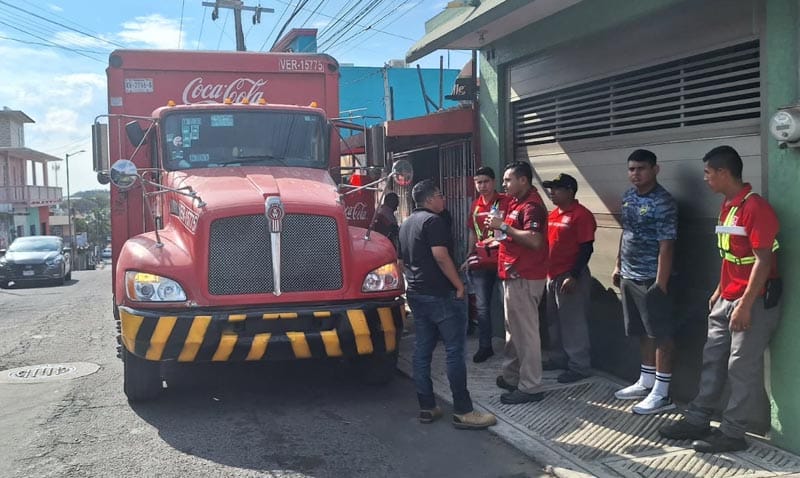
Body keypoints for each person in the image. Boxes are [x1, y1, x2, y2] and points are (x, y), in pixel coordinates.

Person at [659, 145, 781, 453]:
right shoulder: (729, 205)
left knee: (741, 367)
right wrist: (719, 290)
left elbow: (763, 261)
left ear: (724, 173)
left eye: (708, 173)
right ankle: (699, 418)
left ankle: (733, 433)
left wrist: (745, 305)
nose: (705, 179)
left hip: (752, 301)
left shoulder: (756, 208)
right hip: (727, 296)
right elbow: (731, 256)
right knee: (713, 360)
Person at [398, 179, 497, 430]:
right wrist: (460, 285)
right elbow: (440, 256)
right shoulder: (434, 222)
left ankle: (427, 406)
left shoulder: (407, 223)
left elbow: (400, 260)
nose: (443, 199)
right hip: (441, 294)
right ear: (430, 199)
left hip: (417, 294)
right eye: (440, 195)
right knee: (455, 352)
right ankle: (464, 411)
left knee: (422, 351)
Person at [612, 149, 678, 415]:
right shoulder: (628, 197)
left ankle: (662, 393)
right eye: (631, 169)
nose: (635, 174)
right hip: (630, 274)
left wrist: (660, 284)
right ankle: (646, 380)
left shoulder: (664, 202)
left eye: (641, 168)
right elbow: (626, 233)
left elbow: (667, 245)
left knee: (661, 334)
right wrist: (618, 264)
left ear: (655, 169)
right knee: (641, 331)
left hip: (652, 278)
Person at [485, 161, 549, 405]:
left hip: (525, 277)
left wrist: (503, 227)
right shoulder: (516, 203)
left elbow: (534, 241)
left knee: (527, 334)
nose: (504, 184)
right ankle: (512, 376)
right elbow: (513, 235)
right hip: (513, 275)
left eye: (508, 179)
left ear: (524, 180)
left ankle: (531, 386)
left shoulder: (532, 206)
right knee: (513, 331)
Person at [542, 173, 597, 384]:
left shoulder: (581, 215)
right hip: (552, 275)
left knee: (573, 323)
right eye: (550, 188)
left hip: (570, 276)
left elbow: (586, 248)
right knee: (554, 321)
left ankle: (579, 366)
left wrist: (573, 275)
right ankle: (558, 358)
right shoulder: (554, 214)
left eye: (556, 188)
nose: (552, 193)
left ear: (570, 191)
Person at [462, 166, 508, 363]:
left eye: (486, 181)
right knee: (482, 308)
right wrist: (468, 254)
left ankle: (514, 347)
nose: (482, 186)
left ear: (494, 182)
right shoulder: (476, 206)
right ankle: (485, 346)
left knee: (508, 305)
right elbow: (473, 232)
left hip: (503, 260)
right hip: (481, 262)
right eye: (478, 182)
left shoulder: (505, 201)